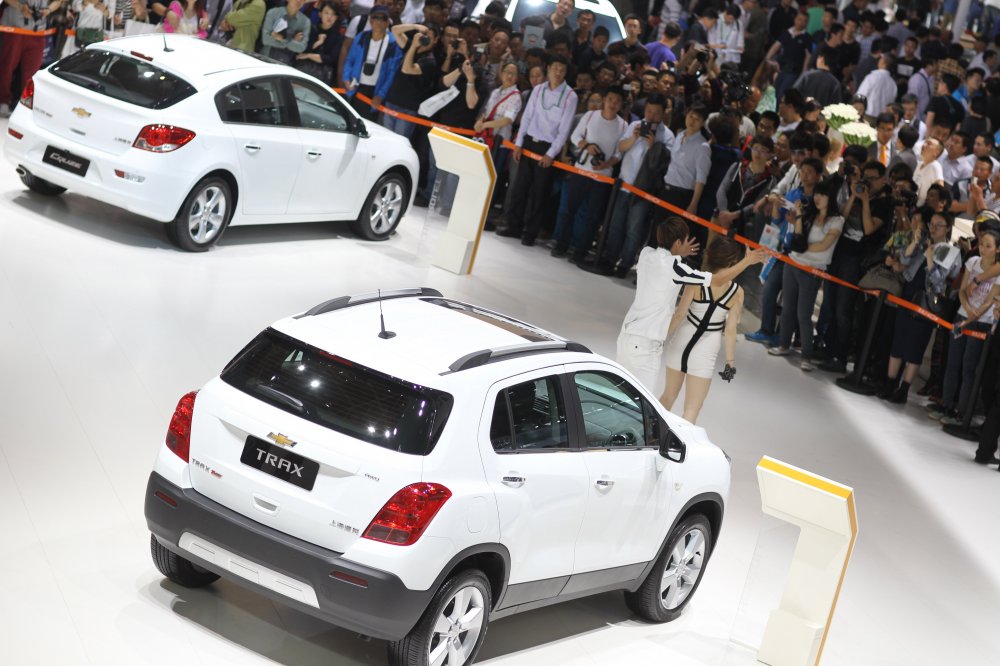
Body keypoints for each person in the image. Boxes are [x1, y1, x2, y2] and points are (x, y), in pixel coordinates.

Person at [616, 217, 764, 396]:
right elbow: (716, 280)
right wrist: (746, 262)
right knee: (641, 403)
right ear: (678, 243)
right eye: (686, 240)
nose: (688, 244)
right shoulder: (677, 268)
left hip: (626, 335)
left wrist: (679, 253)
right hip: (646, 344)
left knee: (618, 393)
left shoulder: (647, 254)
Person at [661, 237, 755, 423]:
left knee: (667, 398)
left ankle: (649, 439)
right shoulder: (737, 292)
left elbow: (679, 315)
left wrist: (660, 339)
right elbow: (730, 330)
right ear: (732, 262)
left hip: (682, 340)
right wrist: (730, 363)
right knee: (691, 411)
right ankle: (678, 450)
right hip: (706, 350)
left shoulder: (696, 280)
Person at [881, 210, 961, 403]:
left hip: (927, 299)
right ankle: (889, 383)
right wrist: (915, 242)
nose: (933, 228)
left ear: (947, 228)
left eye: (938, 225)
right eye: (931, 224)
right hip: (909, 293)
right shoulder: (925, 242)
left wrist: (929, 256)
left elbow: (938, 280)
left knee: (916, 345)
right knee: (898, 339)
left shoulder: (950, 251)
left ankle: (904, 389)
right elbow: (905, 261)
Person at [499, 55, 578, 246]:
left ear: (565, 72)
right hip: (529, 142)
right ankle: (513, 226)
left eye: (562, 69)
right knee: (519, 187)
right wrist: (519, 143)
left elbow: (564, 129)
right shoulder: (539, 89)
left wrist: (551, 154)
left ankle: (530, 232)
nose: (558, 72)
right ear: (549, 68)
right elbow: (526, 117)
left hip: (547, 148)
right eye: (555, 68)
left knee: (539, 192)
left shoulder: (570, 96)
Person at [768, 175, 845, 370]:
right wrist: (800, 218)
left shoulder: (837, 220)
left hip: (812, 270)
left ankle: (807, 355)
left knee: (804, 313)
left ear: (831, 197)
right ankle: (784, 344)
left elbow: (824, 245)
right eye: (817, 194)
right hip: (793, 263)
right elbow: (797, 236)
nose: (818, 198)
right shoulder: (809, 213)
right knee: (788, 309)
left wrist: (801, 247)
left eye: (822, 194)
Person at [931, 229, 1000, 424]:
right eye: (982, 244)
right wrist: (967, 309)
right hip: (963, 316)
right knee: (953, 364)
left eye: (989, 246)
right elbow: (962, 290)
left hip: (981, 322)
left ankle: (963, 412)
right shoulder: (972, 262)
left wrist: (972, 316)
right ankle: (945, 405)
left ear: (997, 249)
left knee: (969, 368)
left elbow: (989, 300)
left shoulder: (998, 271)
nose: (984, 249)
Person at [551, 86, 627, 262]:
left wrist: (607, 163)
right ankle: (561, 244)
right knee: (570, 209)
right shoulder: (591, 115)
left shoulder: (623, 125)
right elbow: (575, 136)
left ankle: (581, 251)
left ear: (621, 104)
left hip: (602, 176)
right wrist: (587, 146)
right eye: (610, 99)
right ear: (604, 99)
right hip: (581, 169)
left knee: (591, 216)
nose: (613, 104)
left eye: (617, 101)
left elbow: (619, 153)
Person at [0, 0, 63, 117]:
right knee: (7, 66)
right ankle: (3, 101)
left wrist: (47, 10)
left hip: (38, 32)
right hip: (14, 27)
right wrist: (20, 6)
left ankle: (25, 104)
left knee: (32, 72)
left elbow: (58, 1)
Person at [342, 5, 400, 119]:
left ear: (388, 22)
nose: (378, 21)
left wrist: (380, 95)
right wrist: (346, 78)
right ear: (370, 20)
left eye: (383, 18)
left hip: (375, 91)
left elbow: (392, 73)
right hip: (356, 87)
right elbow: (350, 60)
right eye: (376, 17)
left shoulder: (393, 43)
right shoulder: (362, 37)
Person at [383, 22, 440, 138]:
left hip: (407, 109)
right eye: (423, 36)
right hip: (392, 101)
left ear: (435, 40)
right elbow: (395, 30)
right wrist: (414, 26)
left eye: (429, 38)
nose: (425, 40)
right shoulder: (412, 47)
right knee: (384, 139)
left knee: (399, 143)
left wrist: (413, 46)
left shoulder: (430, 60)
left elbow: (407, 68)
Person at [766, 9, 811, 102]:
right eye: (799, 19)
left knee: (782, 94)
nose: (801, 22)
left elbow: (808, 56)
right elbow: (776, 46)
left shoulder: (807, 37)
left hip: (793, 71)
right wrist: (768, 58)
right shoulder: (787, 33)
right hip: (781, 68)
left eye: (804, 21)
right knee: (774, 93)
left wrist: (803, 72)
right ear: (795, 19)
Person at [294, 2, 343, 83]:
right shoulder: (311, 28)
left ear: (336, 17)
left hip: (322, 75)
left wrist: (309, 55)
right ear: (320, 14)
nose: (329, 17)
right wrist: (318, 43)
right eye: (326, 13)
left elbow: (329, 59)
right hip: (303, 70)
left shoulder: (338, 37)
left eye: (333, 14)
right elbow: (303, 50)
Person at [260, 0, 311, 65]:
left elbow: (301, 47)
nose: (299, 1)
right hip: (265, 58)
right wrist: (292, 41)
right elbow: (266, 39)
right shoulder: (273, 13)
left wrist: (282, 39)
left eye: (303, 0)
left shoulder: (305, 22)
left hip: (286, 64)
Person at [856, 53, 897, 120]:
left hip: (866, 116)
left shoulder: (872, 77)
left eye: (881, 59)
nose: (879, 60)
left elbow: (860, 96)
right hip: (882, 119)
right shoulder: (893, 84)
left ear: (884, 63)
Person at [914, 139, 945, 206]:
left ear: (936, 152)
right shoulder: (919, 164)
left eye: (929, 144)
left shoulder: (935, 166)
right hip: (914, 205)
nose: (924, 145)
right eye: (925, 142)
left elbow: (941, 189)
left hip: (924, 208)